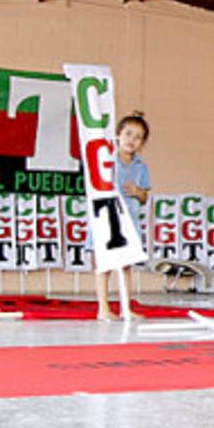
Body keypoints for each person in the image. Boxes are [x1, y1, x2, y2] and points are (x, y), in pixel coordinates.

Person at [94, 112, 151, 320]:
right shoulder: (106, 160)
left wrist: (138, 192)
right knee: (105, 263)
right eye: (128, 134)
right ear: (118, 134)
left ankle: (126, 307)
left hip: (129, 220)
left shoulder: (141, 166)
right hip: (107, 217)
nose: (131, 140)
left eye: (138, 137)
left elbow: (145, 197)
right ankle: (103, 308)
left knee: (125, 264)